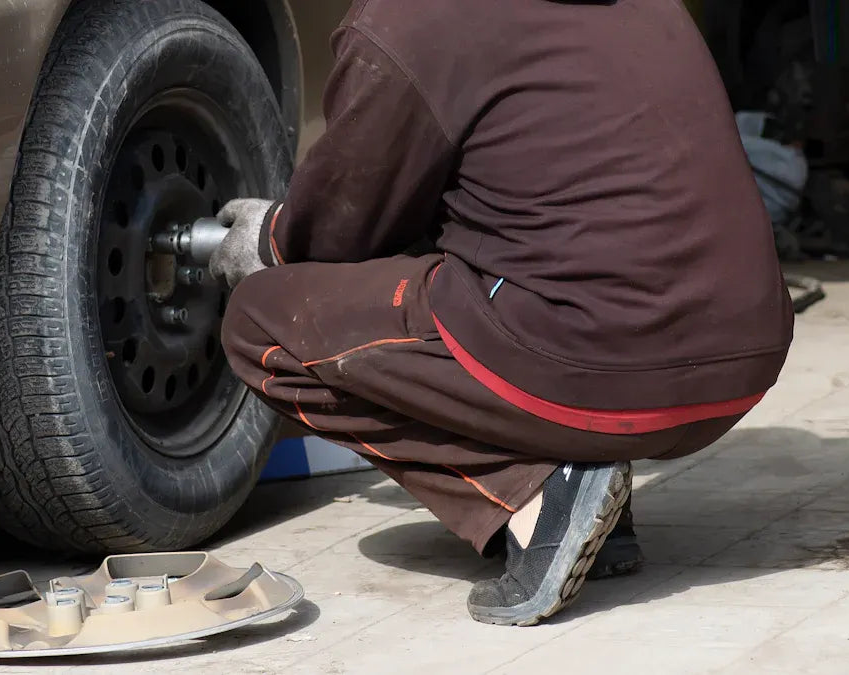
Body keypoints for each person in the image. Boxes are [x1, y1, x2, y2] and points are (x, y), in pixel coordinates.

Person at [209, 0, 793, 626]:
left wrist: (270, 234)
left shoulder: (409, 19)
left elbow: (345, 227)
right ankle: (597, 505)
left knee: (262, 322)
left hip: (602, 364)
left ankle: (541, 488)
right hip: (742, 361)